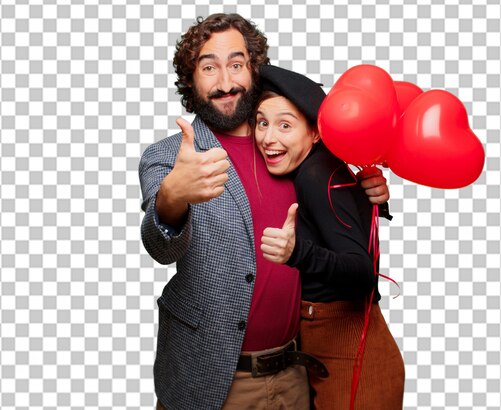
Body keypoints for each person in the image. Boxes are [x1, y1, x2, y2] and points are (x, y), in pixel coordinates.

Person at [138, 13, 390, 409]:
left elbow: (335, 217)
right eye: (208, 68)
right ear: (190, 80)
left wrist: (367, 190)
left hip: (297, 373)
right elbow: (159, 245)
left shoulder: (283, 146)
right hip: (210, 380)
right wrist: (174, 195)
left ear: (254, 70)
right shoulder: (169, 157)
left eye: (236, 65)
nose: (224, 83)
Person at [254, 65, 405, 409]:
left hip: (350, 349)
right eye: (262, 122)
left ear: (316, 134)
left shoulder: (315, 176)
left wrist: (297, 253)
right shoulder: (318, 165)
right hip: (325, 342)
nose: (268, 138)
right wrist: (375, 203)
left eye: (285, 125)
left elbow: (361, 273)